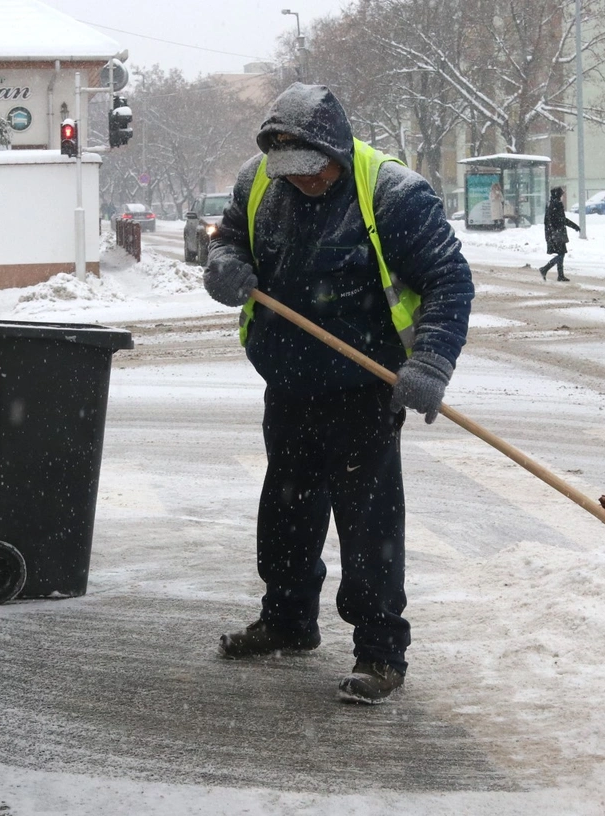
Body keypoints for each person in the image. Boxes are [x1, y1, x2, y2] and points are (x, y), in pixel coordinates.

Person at [202, 83, 474, 704]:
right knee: (287, 512)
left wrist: (430, 360)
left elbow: (448, 280)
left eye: (315, 171)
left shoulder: (392, 193)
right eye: (290, 172)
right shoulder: (259, 182)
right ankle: (288, 622)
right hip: (289, 383)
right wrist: (224, 264)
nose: (304, 182)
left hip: (365, 388)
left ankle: (381, 652)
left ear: (336, 149)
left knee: (368, 524)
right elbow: (226, 240)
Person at [538, 187, 579, 281]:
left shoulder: (550, 204)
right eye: (561, 194)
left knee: (561, 253)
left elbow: (549, 220)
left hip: (551, 232)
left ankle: (560, 275)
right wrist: (574, 226)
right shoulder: (557, 204)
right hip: (557, 233)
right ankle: (545, 269)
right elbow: (562, 219)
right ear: (558, 195)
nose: (562, 196)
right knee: (561, 254)